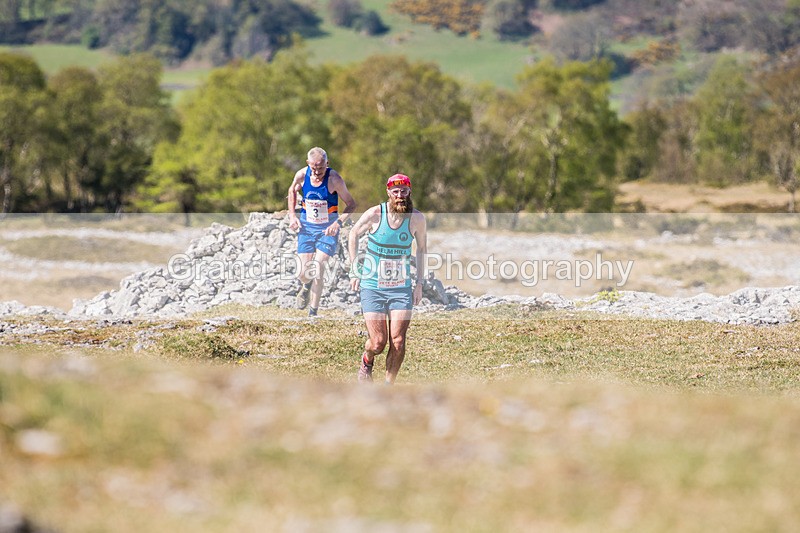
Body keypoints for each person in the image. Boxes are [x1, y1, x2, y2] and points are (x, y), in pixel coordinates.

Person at [348, 173, 427, 384]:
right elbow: (353, 234)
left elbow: (421, 250)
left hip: (400, 287)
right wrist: (355, 269)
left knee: (398, 341)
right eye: (396, 191)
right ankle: (367, 361)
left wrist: (419, 284)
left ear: (410, 192)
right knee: (378, 343)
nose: (400, 195)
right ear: (388, 193)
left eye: (404, 191)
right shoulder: (375, 214)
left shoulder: (417, 219)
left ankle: (388, 386)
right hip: (372, 285)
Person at [288, 147, 356, 316]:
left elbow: (351, 204)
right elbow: (292, 191)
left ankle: (313, 312)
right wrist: (292, 216)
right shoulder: (301, 175)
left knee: (319, 267)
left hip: (328, 229)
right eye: (314, 168)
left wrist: (338, 223)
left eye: (321, 167)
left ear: (327, 163)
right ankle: (305, 285)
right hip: (307, 227)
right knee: (303, 273)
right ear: (307, 164)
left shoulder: (335, 179)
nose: (317, 172)